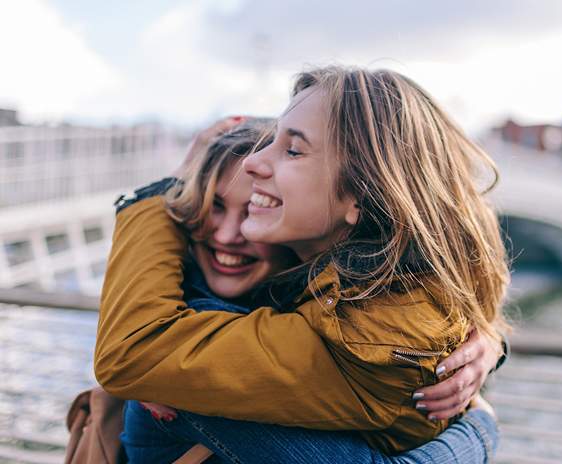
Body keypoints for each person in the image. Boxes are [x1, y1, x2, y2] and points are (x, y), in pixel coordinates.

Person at [94, 66, 510, 460]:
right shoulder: (319, 290)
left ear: (361, 197)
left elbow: (133, 350)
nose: (254, 163)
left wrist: (153, 196)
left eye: (291, 149)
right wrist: (485, 386)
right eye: (213, 206)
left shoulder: (364, 336)